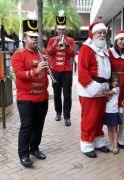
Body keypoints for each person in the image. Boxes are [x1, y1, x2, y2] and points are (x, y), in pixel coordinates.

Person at [12, 13, 48, 167]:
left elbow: (46, 73)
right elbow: (20, 75)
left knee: (39, 125)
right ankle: (23, 154)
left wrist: (48, 66)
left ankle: (34, 148)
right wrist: (36, 70)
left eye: (36, 37)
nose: (34, 40)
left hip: (42, 97)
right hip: (26, 98)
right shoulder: (18, 55)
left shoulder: (42, 53)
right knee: (27, 125)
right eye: (31, 37)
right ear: (25, 37)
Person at [78, 22, 111, 158]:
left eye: (104, 32)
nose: (102, 35)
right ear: (93, 34)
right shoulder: (86, 49)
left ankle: (98, 142)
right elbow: (82, 71)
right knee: (89, 119)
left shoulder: (104, 49)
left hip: (102, 89)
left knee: (99, 118)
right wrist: (93, 87)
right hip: (89, 89)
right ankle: (86, 145)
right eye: (99, 32)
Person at [46, 9, 75, 126]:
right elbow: (48, 53)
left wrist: (67, 46)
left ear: (66, 29)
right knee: (56, 94)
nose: (61, 31)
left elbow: (73, 55)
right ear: (56, 29)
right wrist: (54, 44)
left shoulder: (70, 40)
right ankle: (58, 113)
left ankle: (67, 116)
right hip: (55, 71)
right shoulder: (51, 40)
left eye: (63, 29)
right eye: (59, 29)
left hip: (67, 71)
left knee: (67, 94)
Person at [108, 30, 124, 149]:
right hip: (114, 83)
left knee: (122, 113)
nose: (123, 42)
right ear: (116, 40)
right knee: (113, 111)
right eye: (120, 39)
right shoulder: (110, 52)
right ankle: (113, 139)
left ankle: (120, 138)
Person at [103, 73, 121, 154]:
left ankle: (116, 145)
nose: (115, 83)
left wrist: (99, 89)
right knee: (109, 129)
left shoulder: (116, 89)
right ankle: (112, 144)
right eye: (113, 81)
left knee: (115, 129)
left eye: (117, 81)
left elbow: (107, 94)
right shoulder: (109, 88)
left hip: (114, 111)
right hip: (107, 111)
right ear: (110, 82)